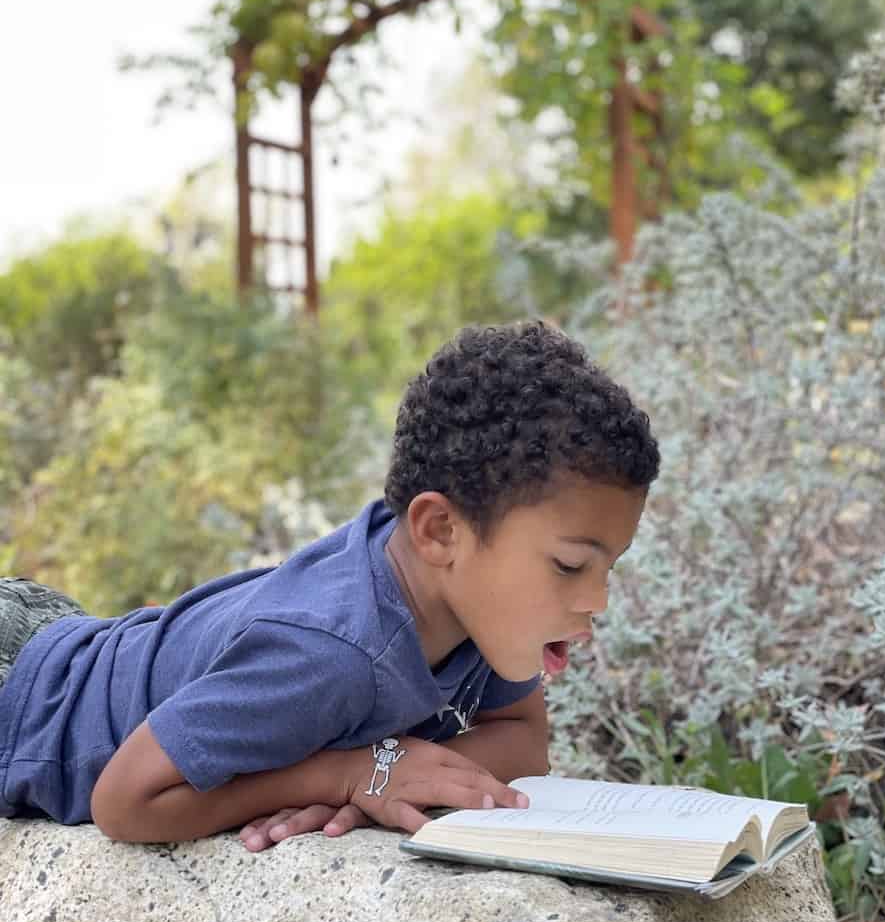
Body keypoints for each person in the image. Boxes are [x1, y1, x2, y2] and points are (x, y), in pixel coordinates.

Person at [0, 320, 659, 852]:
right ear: (440, 530)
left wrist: (389, 769)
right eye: (570, 566)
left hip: (64, 641)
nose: (597, 599)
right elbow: (124, 800)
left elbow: (523, 740)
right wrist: (347, 775)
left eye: (609, 567)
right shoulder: (333, 654)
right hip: (23, 703)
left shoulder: (470, 608)